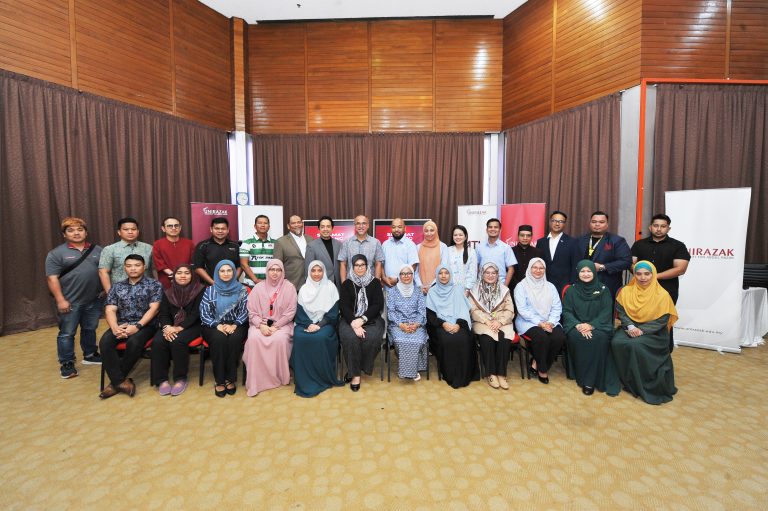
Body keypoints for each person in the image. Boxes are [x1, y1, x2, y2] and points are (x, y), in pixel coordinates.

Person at [612, 261, 678, 405]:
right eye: (639, 274)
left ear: (653, 275)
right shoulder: (626, 291)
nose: (643, 277)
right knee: (616, 342)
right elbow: (622, 312)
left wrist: (642, 330)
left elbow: (662, 321)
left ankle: (641, 382)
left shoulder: (662, 295)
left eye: (647, 274)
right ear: (634, 275)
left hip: (654, 332)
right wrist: (631, 327)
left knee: (636, 345)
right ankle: (625, 380)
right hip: (629, 327)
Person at [45, 217, 103, 379]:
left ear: (86, 232)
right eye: (71, 230)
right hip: (70, 301)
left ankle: (90, 354)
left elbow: (104, 271)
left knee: (90, 328)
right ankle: (67, 362)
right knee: (67, 333)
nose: (76, 233)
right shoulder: (56, 254)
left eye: (80, 230)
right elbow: (52, 278)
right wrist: (60, 300)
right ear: (64, 234)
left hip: (94, 299)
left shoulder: (97, 250)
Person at [98, 254, 163, 399]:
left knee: (134, 342)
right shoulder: (117, 286)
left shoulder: (154, 285)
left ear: (144, 267)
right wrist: (115, 328)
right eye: (129, 266)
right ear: (124, 268)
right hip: (122, 324)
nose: (133, 269)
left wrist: (137, 326)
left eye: (137, 265)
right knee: (105, 342)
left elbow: (154, 309)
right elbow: (110, 309)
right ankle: (120, 382)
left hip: (146, 325)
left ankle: (115, 383)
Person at [631, 214, 690, 351]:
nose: (659, 229)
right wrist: (643, 275)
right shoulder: (639, 244)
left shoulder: (678, 246)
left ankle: (664, 351)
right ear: (650, 227)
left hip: (666, 290)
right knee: (641, 318)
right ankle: (641, 349)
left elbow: (680, 269)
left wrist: (653, 277)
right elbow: (631, 264)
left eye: (663, 226)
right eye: (656, 226)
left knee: (663, 321)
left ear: (668, 229)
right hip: (641, 289)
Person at [561, 260, 620, 396]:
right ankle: (583, 376)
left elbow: (606, 312)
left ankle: (590, 380)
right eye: (582, 271)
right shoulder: (571, 290)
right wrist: (578, 325)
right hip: (576, 326)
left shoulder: (604, 290)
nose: (586, 274)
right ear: (578, 273)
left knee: (597, 339)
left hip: (599, 326)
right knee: (578, 338)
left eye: (589, 271)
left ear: (594, 272)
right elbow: (567, 311)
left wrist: (591, 325)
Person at [243, 259, 297, 397]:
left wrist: (276, 326)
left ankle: (280, 376)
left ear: (282, 272)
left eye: (278, 270)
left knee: (280, 339)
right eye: (272, 269)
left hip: (282, 324)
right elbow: (251, 312)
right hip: (259, 324)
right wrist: (260, 325)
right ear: (267, 271)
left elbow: (290, 312)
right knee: (254, 339)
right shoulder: (258, 288)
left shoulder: (289, 287)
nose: (275, 273)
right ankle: (256, 380)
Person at [150, 264, 205, 396]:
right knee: (158, 341)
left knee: (177, 341)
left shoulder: (200, 290)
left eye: (187, 273)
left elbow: (196, 314)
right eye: (179, 273)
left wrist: (179, 328)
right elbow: (163, 314)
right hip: (171, 325)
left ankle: (180, 378)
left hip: (194, 325)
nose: (183, 276)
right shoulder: (168, 292)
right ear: (174, 276)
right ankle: (161, 379)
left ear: (192, 275)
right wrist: (167, 327)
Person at [291, 260, 344, 397]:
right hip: (306, 323)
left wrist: (318, 325)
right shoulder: (304, 289)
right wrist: (309, 324)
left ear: (324, 272)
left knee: (320, 337)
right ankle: (303, 379)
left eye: (319, 270)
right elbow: (300, 313)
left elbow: (333, 313)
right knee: (299, 337)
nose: (316, 273)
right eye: (313, 270)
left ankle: (322, 376)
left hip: (326, 324)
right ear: (309, 272)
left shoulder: (330, 287)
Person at [200, 260, 249, 397]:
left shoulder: (242, 290)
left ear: (234, 272)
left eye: (229, 270)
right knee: (219, 339)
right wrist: (217, 325)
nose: (226, 273)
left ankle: (230, 379)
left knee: (234, 340)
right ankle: (220, 380)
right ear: (217, 273)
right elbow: (204, 313)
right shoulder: (210, 291)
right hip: (213, 325)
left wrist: (234, 324)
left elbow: (245, 311)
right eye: (222, 271)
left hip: (236, 324)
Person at [514, 257, 566, 384]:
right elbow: (522, 310)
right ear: (529, 269)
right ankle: (543, 370)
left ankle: (536, 362)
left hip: (549, 321)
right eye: (535, 267)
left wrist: (551, 322)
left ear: (545, 270)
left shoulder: (551, 286)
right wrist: (540, 323)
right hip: (528, 322)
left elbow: (557, 307)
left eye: (541, 268)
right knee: (541, 337)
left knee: (559, 337)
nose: (538, 270)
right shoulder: (521, 286)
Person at [426, 265, 478, 388]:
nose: (443, 276)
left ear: (450, 275)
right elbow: (430, 315)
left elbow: (464, 311)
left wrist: (458, 325)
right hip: (439, 325)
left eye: (446, 273)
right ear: (437, 275)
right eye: (440, 273)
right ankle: (450, 375)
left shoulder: (457, 289)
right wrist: (443, 324)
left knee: (465, 338)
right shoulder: (432, 292)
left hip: (459, 323)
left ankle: (465, 375)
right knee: (447, 340)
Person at [338, 254, 385, 391]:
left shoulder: (375, 283)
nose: (360, 268)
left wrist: (362, 319)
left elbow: (378, 305)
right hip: (349, 319)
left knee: (371, 337)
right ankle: (356, 375)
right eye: (356, 265)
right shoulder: (347, 284)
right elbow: (344, 306)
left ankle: (355, 367)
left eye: (362, 265)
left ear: (367, 266)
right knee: (351, 338)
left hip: (371, 319)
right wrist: (354, 322)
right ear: (352, 267)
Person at [468, 262, 516, 390]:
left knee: (504, 339)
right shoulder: (474, 290)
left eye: (493, 273)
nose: (490, 275)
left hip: (502, 321)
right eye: (487, 273)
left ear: (497, 274)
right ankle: (491, 373)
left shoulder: (504, 290)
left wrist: (500, 322)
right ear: (482, 274)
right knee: (487, 339)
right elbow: (473, 310)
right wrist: (487, 321)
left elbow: (510, 309)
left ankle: (501, 374)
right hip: (482, 322)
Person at [573, 211, 632, 298]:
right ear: (589, 223)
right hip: (582, 286)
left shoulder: (617, 241)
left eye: (601, 222)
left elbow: (626, 262)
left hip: (606, 286)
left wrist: (602, 267)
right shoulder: (580, 240)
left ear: (607, 224)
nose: (597, 224)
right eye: (594, 222)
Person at [386, 264, 429, 380]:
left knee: (418, 340)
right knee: (401, 340)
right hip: (397, 325)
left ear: (413, 275)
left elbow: (421, 311)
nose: (406, 276)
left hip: (416, 325)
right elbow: (391, 312)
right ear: (399, 276)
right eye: (403, 274)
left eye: (409, 273)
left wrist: (416, 324)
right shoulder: (392, 292)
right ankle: (411, 371)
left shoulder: (418, 291)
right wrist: (401, 325)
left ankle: (410, 370)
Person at [98, 217, 154, 292]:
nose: (130, 232)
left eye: (133, 229)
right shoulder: (110, 249)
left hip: (145, 291)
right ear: (119, 232)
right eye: (126, 229)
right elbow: (103, 272)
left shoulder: (149, 248)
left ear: (138, 231)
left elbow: (154, 270)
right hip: (120, 293)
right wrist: (110, 294)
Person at [536, 210, 576, 294]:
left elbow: (575, 265)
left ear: (564, 224)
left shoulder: (572, 242)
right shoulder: (541, 242)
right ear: (550, 222)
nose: (557, 224)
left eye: (561, 221)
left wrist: (571, 285)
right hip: (544, 284)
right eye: (554, 220)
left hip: (564, 286)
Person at [194, 217, 241, 286]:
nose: (220, 231)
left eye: (223, 229)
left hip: (232, 286)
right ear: (211, 229)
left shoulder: (235, 246)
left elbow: (240, 266)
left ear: (228, 230)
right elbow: (198, 268)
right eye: (217, 228)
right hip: (210, 285)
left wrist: (232, 282)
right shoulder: (202, 245)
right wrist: (213, 283)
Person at [152, 216, 195, 289]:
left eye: (176, 226)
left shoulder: (189, 243)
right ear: (163, 228)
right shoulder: (157, 244)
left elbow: (192, 262)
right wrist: (175, 275)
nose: (174, 228)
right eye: (170, 226)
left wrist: (183, 275)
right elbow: (160, 264)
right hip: (167, 282)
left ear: (180, 228)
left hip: (186, 280)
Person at [338, 214, 384, 282]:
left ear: (368, 225)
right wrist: (344, 284)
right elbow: (343, 264)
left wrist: (376, 284)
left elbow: (378, 264)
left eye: (364, 223)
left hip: (370, 283)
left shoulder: (376, 242)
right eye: (358, 223)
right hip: (351, 283)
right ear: (355, 226)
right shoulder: (346, 243)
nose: (361, 226)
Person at [274, 215, 313, 290]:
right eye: (293, 223)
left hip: (310, 284)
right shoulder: (280, 242)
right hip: (291, 284)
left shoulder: (310, 239)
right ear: (288, 226)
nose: (297, 225)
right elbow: (277, 265)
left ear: (302, 224)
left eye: (299, 222)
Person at [475, 218, 517, 287]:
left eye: (496, 227)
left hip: (499, 286)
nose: (493, 229)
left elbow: (511, 269)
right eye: (490, 227)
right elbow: (476, 266)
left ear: (500, 230)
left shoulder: (506, 247)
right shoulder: (479, 247)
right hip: (482, 286)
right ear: (486, 230)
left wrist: (505, 286)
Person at [305, 215, 343, 289]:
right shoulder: (311, 246)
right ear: (319, 228)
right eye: (322, 227)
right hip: (320, 286)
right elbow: (308, 270)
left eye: (328, 226)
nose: (325, 229)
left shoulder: (339, 244)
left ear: (332, 228)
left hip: (337, 286)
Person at [381, 218, 418, 291]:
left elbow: (413, 267)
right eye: (394, 227)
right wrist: (384, 278)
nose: (396, 229)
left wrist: (398, 279)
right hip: (387, 288)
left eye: (399, 227)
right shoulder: (385, 244)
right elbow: (381, 264)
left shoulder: (410, 245)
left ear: (405, 229)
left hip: (404, 289)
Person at [240, 214, 276, 287]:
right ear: (255, 226)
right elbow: (243, 264)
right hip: (250, 283)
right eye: (260, 223)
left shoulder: (276, 243)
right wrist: (255, 280)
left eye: (265, 223)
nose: (262, 225)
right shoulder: (246, 243)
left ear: (269, 227)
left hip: (270, 283)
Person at [415, 220, 448, 294]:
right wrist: (420, 286)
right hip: (421, 290)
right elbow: (416, 271)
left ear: (436, 231)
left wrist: (431, 286)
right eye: (426, 231)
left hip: (438, 288)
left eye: (432, 230)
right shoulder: (418, 247)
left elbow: (443, 269)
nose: (429, 233)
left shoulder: (443, 247)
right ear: (423, 232)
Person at [446, 225, 478, 294]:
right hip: (449, 290)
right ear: (452, 237)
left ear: (465, 236)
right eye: (455, 235)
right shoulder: (447, 250)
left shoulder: (471, 252)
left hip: (465, 291)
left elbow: (472, 273)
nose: (458, 237)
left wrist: (467, 289)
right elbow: (444, 270)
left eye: (460, 235)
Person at [510, 224, 541, 292]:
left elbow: (540, 271)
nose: (525, 238)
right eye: (522, 235)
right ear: (518, 236)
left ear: (531, 237)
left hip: (533, 289)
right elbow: (508, 271)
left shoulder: (538, 252)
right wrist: (518, 285)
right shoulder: (510, 251)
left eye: (528, 235)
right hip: (513, 288)